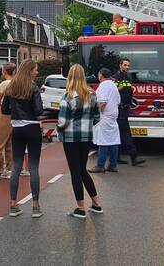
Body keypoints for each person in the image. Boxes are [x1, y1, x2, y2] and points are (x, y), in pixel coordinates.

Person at [57, 64, 103, 218]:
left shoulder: (68, 96)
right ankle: (96, 204)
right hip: (86, 138)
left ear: (70, 77)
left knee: (75, 172)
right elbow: (97, 117)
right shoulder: (92, 94)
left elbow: (63, 122)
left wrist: (58, 130)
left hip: (70, 139)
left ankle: (80, 208)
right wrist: (86, 126)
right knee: (83, 170)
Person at [2, 59, 43, 218]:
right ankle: (35, 206)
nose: (37, 72)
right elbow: (38, 110)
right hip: (32, 127)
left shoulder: (11, 86)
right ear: (30, 70)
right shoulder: (33, 87)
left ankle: (13, 204)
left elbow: (5, 109)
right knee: (33, 167)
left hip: (17, 128)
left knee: (16, 166)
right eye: (35, 70)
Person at [112, 59, 144, 166]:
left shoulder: (127, 77)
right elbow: (114, 90)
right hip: (120, 109)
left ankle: (116, 158)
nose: (127, 67)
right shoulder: (116, 77)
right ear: (120, 65)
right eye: (125, 65)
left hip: (125, 109)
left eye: (128, 65)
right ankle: (134, 157)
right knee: (126, 134)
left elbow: (127, 90)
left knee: (119, 134)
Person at [91, 68, 121, 173]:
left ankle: (100, 166)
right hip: (113, 116)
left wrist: (97, 113)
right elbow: (118, 101)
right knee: (113, 141)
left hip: (104, 116)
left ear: (101, 75)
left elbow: (102, 102)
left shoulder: (104, 85)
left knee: (103, 141)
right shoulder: (113, 85)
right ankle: (113, 165)